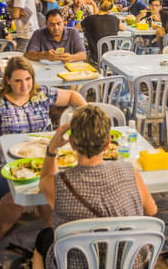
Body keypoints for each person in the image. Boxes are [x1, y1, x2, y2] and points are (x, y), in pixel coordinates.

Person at [0, 57, 86, 269]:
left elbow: (72, 95)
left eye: (28, 79)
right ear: (7, 81)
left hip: (39, 160)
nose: (24, 86)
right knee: (16, 199)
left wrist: (85, 113)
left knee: (52, 188)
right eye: (17, 81)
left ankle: (55, 240)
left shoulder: (40, 94)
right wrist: (8, 158)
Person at [36, 105, 157, 269]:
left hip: (76, 264)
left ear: (71, 144)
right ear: (108, 143)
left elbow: (43, 179)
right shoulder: (130, 171)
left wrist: (52, 149)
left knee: (43, 237)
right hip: (130, 263)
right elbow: (151, 211)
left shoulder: (59, 183)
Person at [81, 0, 126, 64]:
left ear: (99, 6)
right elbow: (123, 28)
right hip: (112, 57)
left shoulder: (90, 19)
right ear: (109, 10)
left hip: (96, 57)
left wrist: (94, 5)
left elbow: (76, 27)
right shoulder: (115, 19)